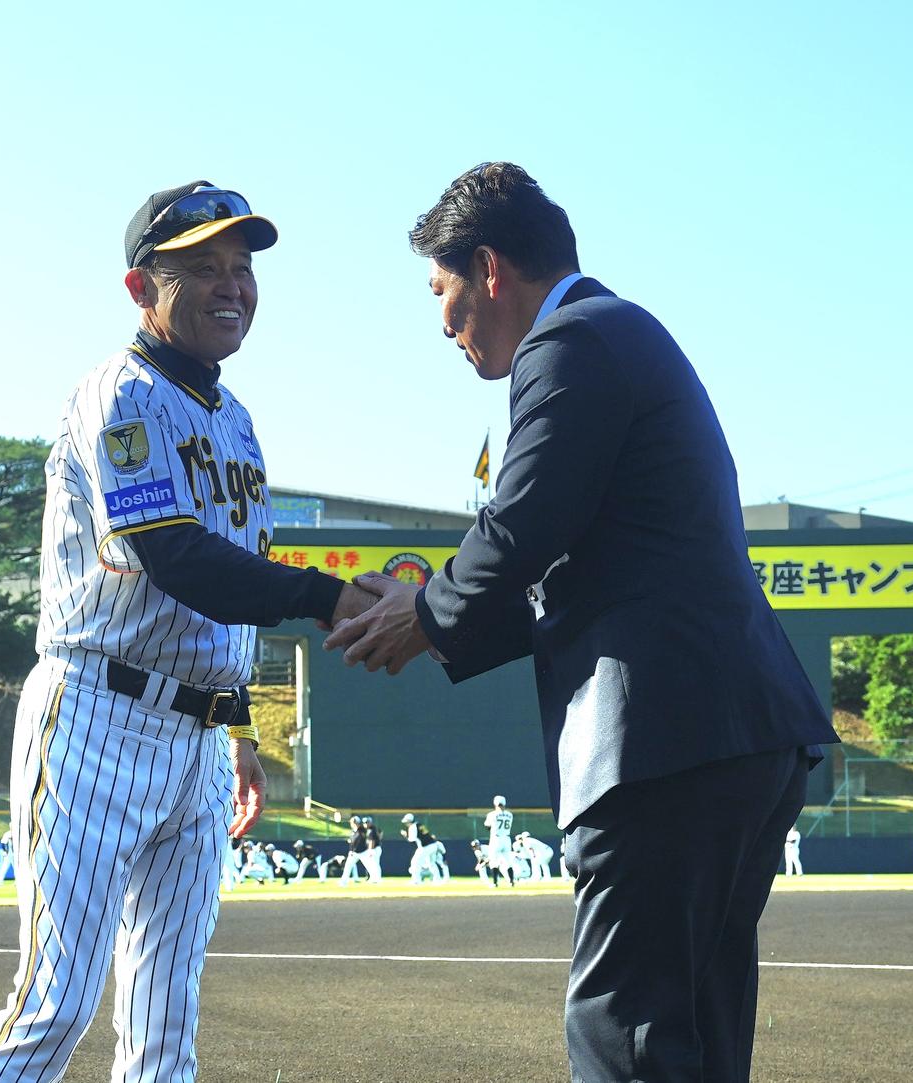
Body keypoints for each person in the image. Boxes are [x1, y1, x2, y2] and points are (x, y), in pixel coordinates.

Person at [325, 162, 839, 1083]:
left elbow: (522, 524)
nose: (439, 325)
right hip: (738, 738)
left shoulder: (569, 342)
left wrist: (430, 611)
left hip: (661, 744)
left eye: (440, 293)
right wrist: (436, 620)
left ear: (488, 269)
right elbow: (576, 563)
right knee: (698, 1037)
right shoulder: (621, 334)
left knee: (625, 1037)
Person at [0, 181, 376, 1083]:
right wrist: (329, 598)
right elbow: (176, 558)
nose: (233, 286)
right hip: (95, 720)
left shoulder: (236, 420)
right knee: (55, 1002)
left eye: (243, 267)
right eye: (204, 269)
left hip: (195, 743)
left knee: (165, 1021)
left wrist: (239, 727)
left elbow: (228, 579)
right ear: (141, 287)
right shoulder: (119, 392)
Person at [483, 796, 517, 886]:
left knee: (494, 861)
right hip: (506, 838)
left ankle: (495, 882)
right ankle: (511, 881)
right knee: (508, 861)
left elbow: (487, 826)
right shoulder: (510, 814)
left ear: (495, 803)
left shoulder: (492, 814)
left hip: (496, 839)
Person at [339, 815, 369, 885]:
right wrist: (351, 850)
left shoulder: (362, 830)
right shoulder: (353, 831)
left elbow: (362, 839)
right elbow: (352, 842)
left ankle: (375, 880)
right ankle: (343, 882)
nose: (351, 823)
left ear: (356, 822)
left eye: (353, 822)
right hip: (354, 853)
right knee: (347, 867)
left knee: (370, 866)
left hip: (363, 852)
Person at [361, 816, 384, 883]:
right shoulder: (372, 829)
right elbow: (381, 832)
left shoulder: (371, 830)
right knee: (374, 864)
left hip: (374, 849)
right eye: (364, 823)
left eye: (367, 822)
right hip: (375, 848)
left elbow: (372, 841)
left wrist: (370, 851)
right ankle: (375, 878)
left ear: (370, 823)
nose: (366, 824)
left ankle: (377, 879)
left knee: (375, 864)